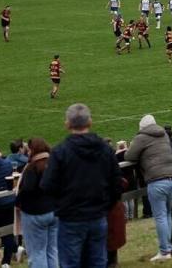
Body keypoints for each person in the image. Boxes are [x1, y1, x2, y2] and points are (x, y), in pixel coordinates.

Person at [41, 104, 123, 268]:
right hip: (95, 215)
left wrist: (62, 204)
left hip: (73, 217)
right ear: (90, 122)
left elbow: (48, 185)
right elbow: (116, 184)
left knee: (71, 263)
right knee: (97, 262)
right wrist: (105, 206)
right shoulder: (105, 150)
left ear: (67, 124)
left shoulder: (61, 152)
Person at [125, 114, 172, 262]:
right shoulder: (164, 135)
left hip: (157, 180)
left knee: (160, 216)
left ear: (141, 127)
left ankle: (164, 251)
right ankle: (168, 247)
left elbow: (129, 156)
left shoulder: (141, 137)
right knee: (167, 214)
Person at [16, 138, 57, 268]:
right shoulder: (54, 163)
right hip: (54, 211)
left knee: (37, 253)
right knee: (52, 250)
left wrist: (18, 201)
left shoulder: (32, 167)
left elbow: (27, 189)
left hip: (35, 214)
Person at [0, 148, 18, 268]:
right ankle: (6, 262)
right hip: (8, 203)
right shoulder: (7, 164)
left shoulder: (6, 163)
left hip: (0, 203)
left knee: (6, 233)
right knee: (7, 232)